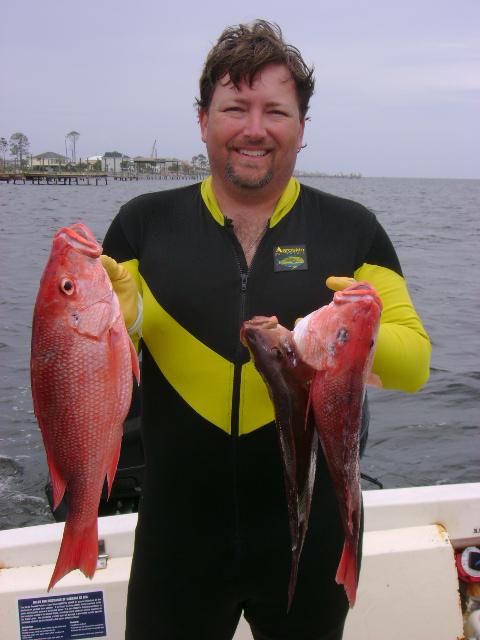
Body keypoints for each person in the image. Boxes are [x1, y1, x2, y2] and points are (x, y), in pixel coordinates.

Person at [102, 20, 431, 640]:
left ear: (302, 128)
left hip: (310, 543)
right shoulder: (143, 224)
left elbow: (413, 365)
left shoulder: (353, 230)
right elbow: (100, 348)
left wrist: (354, 329)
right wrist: (119, 318)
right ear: (203, 120)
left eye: (276, 110)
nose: (254, 128)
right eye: (235, 108)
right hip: (176, 541)